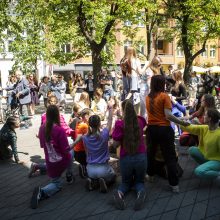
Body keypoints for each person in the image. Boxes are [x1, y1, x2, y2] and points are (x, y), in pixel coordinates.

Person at [145, 75, 189, 193]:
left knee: (151, 153)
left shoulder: (147, 97)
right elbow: (168, 115)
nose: (165, 84)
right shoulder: (164, 97)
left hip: (152, 129)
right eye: (164, 82)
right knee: (170, 157)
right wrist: (182, 123)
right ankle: (174, 185)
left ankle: (150, 175)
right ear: (161, 84)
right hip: (164, 129)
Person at [30, 105, 74, 209]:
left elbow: (42, 145)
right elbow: (66, 150)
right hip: (61, 161)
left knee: (53, 170)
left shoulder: (41, 128)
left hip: (50, 161)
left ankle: (38, 166)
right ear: (57, 115)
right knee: (57, 184)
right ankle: (42, 191)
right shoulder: (59, 130)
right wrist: (77, 141)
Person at [112, 99, 147, 211]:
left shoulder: (119, 124)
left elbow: (115, 144)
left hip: (126, 158)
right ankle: (140, 192)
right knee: (139, 182)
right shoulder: (140, 121)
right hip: (141, 157)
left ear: (123, 110)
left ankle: (119, 193)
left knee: (125, 183)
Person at [75, 106, 116, 193]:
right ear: (99, 124)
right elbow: (110, 122)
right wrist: (111, 109)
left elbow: (87, 153)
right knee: (113, 176)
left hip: (90, 168)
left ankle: (92, 181)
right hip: (103, 168)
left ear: (89, 124)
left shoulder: (85, 138)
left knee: (95, 176)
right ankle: (104, 182)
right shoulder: (104, 134)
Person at [179, 108, 220, 180]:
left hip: (217, 161)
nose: (203, 116)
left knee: (199, 171)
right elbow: (190, 128)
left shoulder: (218, 134)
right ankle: (208, 167)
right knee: (192, 150)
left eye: (205, 115)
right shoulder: (205, 128)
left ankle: (217, 174)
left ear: (210, 118)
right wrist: (180, 122)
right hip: (208, 157)